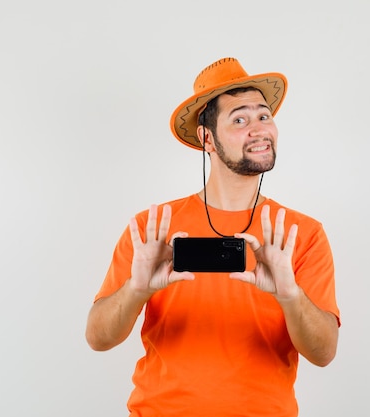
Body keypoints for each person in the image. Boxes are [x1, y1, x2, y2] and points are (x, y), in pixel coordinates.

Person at [85, 57, 340, 417]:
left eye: (264, 116)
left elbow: (324, 352)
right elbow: (98, 338)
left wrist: (290, 295)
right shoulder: (153, 228)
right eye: (239, 119)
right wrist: (136, 290)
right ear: (207, 138)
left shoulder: (302, 233)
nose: (259, 128)